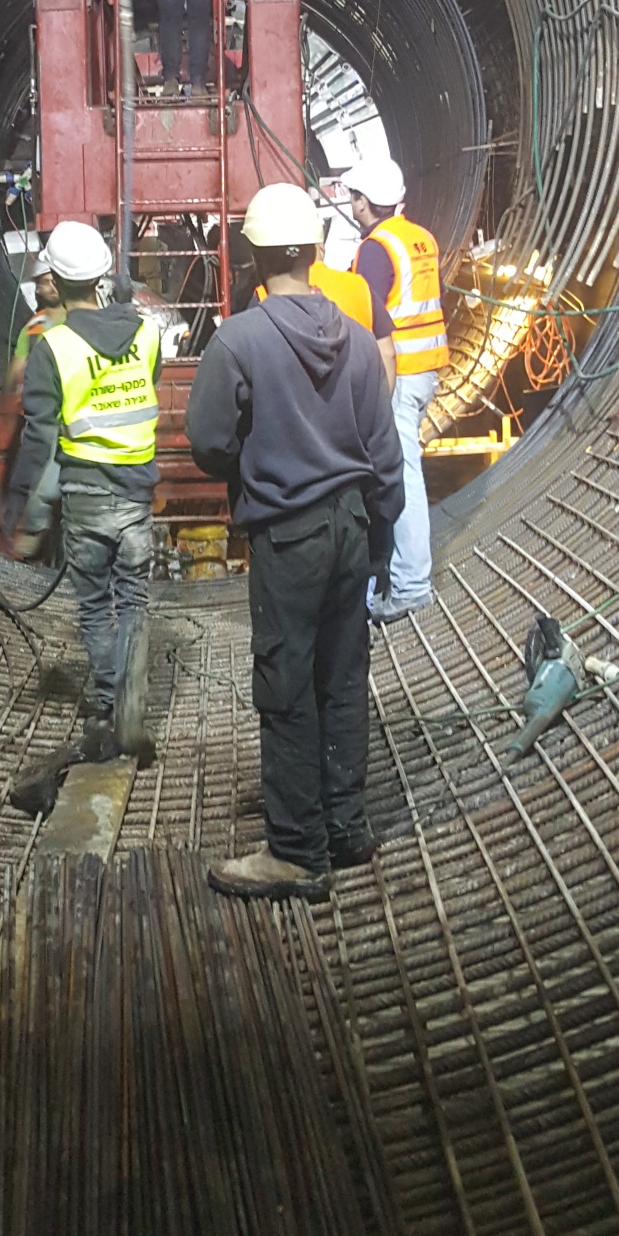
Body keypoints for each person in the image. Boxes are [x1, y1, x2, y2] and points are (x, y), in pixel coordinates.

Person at [186, 184, 403, 900]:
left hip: (288, 538)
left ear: (252, 255)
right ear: (315, 252)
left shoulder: (238, 340)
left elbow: (209, 442)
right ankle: (346, 828)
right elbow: (385, 452)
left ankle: (297, 852)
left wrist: (257, 461)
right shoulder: (358, 338)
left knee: (286, 690)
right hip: (351, 529)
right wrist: (380, 543)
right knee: (340, 681)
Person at [3, 220, 160, 754]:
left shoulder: (52, 349)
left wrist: (32, 510)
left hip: (86, 496)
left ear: (54, 282)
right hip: (137, 493)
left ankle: (108, 702)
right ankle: (133, 708)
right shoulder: (147, 334)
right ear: (102, 277)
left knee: (95, 606)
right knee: (134, 599)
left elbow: (42, 441)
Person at [345, 152, 448, 622]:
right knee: (402, 466)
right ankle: (393, 570)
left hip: (400, 373)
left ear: (365, 202)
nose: (351, 203)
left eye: (353, 197)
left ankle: (410, 584)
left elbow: (368, 317)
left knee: (402, 471)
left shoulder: (373, 248)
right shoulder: (420, 237)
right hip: (428, 369)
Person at [249, 195, 397, 386]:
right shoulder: (360, 287)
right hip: (354, 401)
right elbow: (387, 353)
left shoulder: (263, 295)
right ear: (319, 247)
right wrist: (380, 408)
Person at [6, 260, 62, 394]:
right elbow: (16, 367)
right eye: (46, 282)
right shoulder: (32, 328)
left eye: (55, 281)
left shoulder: (79, 319)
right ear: (38, 288)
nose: (52, 287)